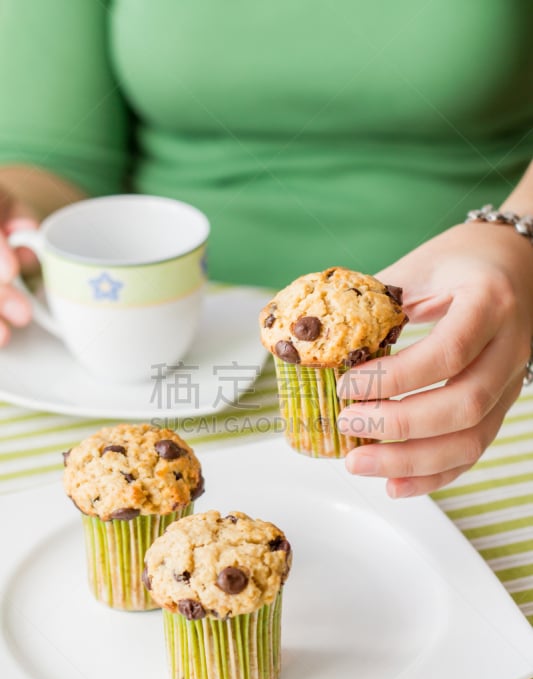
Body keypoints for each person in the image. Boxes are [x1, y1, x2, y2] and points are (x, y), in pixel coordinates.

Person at [0, 0, 532, 499]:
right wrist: (14, 208)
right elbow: (55, 154)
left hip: (490, 334)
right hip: (179, 361)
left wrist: (521, 233)